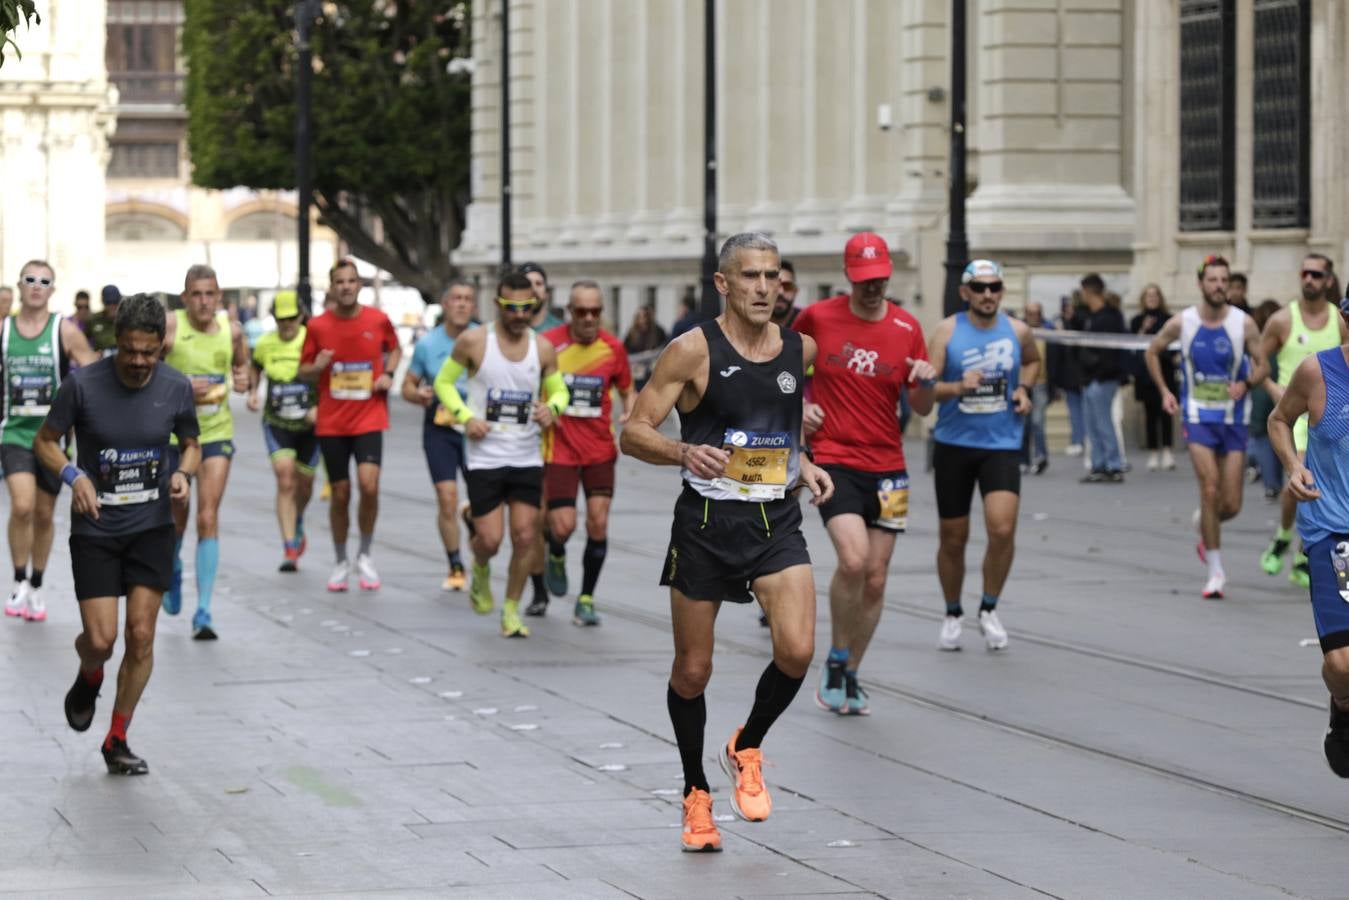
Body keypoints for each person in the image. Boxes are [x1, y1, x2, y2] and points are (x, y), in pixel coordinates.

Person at [619, 232, 832, 853]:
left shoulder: (801, 349)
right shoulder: (690, 351)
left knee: (795, 652)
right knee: (693, 670)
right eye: (751, 277)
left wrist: (807, 460)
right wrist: (684, 450)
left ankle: (746, 745)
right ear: (723, 284)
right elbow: (632, 432)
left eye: (773, 276)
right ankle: (695, 795)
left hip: (774, 524)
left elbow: (776, 424)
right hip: (706, 525)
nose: (765, 288)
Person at [36, 292, 200, 775]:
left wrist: (183, 475)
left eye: (148, 352)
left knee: (142, 634)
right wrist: (74, 476)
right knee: (103, 639)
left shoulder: (175, 387)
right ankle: (90, 673)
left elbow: (191, 444)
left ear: (161, 346)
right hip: (98, 528)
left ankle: (117, 738)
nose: (138, 361)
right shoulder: (82, 386)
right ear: (117, 341)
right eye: (129, 350)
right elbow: (46, 443)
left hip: (151, 525)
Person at [793, 232, 934, 715]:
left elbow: (919, 404)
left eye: (878, 280)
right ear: (848, 276)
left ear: (888, 275)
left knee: (876, 579)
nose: (871, 289)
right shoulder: (817, 317)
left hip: (890, 467)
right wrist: (803, 408)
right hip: (835, 459)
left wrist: (925, 386)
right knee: (853, 561)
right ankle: (834, 656)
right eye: (862, 281)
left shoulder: (907, 327)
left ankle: (851, 670)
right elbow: (785, 372)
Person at [432, 270, 568, 637]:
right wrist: (464, 417)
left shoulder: (542, 348)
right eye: (512, 307)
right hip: (485, 456)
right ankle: (479, 567)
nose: (520, 314)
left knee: (526, 537)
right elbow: (443, 383)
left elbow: (559, 392)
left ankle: (511, 609)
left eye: (527, 307)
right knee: (490, 540)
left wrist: (551, 409)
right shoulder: (474, 341)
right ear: (498, 304)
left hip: (526, 455)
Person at [929, 260, 1039, 651]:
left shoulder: (1018, 330)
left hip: (1002, 444)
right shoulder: (947, 331)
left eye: (994, 287)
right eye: (979, 288)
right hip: (954, 444)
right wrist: (959, 386)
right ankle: (952, 611)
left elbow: (1031, 360)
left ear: (1002, 292)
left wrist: (1024, 390)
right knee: (954, 538)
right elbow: (928, 390)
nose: (988, 294)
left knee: (1002, 529)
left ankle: (989, 607)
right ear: (965, 292)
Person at [1145, 255, 1265, 599]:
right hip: (1197, 416)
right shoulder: (1183, 322)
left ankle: (1204, 524)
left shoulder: (1244, 324)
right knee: (1210, 489)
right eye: (1212, 280)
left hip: (1234, 419)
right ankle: (1215, 571)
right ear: (1201, 284)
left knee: (1232, 504)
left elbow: (1262, 367)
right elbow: (1152, 352)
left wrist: (1246, 383)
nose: (1219, 286)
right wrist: (1166, 392)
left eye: (1224, 280)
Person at [1267, 291, 1349, 778]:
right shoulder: (1317, 373)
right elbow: (1280, 420)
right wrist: (1294, 465)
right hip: (1334, 528)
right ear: (1344, 319)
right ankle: (1342, 706)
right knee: (1341, 665)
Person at [2, 259, 99, 622]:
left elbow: (91, 369)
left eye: (44, 280)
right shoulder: (5, 330)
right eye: (30, 279)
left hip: (52, 438)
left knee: (44, 514)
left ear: (52, 290)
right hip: (14, 433)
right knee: (23, 506)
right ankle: (18, 579)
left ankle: (38, 584)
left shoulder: (64, 329)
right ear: (21, 286)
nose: (36, 285)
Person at [300, 258, 401, 592]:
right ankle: (341, 559)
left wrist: (387, 374)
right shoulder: (317, 326)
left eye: (351, 280)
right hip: (333, 421)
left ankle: (366, 554)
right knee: (341, 494)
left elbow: (395, 350)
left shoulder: (378, 320)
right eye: (339, 281)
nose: (346, 286)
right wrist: (319, 365)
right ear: (331, 287)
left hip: (370, 417)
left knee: (369, 486)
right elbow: (303, 372)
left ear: (360, 286)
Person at [161, 264, 250, 640]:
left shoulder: (231, 331)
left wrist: (245, 380)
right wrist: (182, 388)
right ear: (185, 298)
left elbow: (243, 370)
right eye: (196, 294)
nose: (203, 301)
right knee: (177, 515)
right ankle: (174, 567)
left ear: (219, 297)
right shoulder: (170, 326)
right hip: (174, 439)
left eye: (209, 294)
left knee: (208, 515)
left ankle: (204, 611)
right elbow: (144, 369)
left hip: (215, 432)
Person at [539, 280, 635, 626]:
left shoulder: (613, 349)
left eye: (596, 311)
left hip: (599, 449)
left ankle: (586, 598)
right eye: (582, 311)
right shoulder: (549, 345)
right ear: (570, 312)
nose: (590, 318)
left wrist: (631, 413)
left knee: (598, 522)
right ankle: (557, 551)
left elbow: (628, 389)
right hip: (559, 448)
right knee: (562, 526)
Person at [1258, 254, 1349, 587]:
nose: (1309, 279)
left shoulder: (1338, 323)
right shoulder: (1283, 320)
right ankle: (1287, 537)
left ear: (1328, 279)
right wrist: (1271, 388)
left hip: (1330, 410)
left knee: (1326, 483)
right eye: (1304, 273)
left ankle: (1301, 548)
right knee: (1298, 480)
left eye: (1316, 274)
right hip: (1297, 407)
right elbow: (1260, 360)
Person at [402, 279, 476, 591]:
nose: (461, 304)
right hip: (440, 427)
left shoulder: (484, 339)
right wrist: (417, 394)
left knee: (484, 505)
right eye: (456, 298)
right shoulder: (428, 344)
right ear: (445, 304)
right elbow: (407, 385)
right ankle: (456, 564)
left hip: (477, 429)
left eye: (467, 299)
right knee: (446, 498)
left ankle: (475, 527)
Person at [247, 290, 319, 572]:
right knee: (285, 479)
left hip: (310, 425)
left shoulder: (311, 340)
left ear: (301, 316)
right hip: (278, 423)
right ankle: (290, 547)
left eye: (292, 319)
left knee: (304, 484)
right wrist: (253, 391)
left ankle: (297, 516)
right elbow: (256, 368)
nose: (287, 325)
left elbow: (326, 374)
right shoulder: (266, 343)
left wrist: (321, 407)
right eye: (281, 320)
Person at [1076, 274, 1128, 482]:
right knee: (1092, 423)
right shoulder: (1092, 316)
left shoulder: (1109, 317)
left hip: (1103, 378)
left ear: (1089, 292)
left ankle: (1113, 464)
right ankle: (1099, 464)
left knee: (1103, 422)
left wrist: (1100, 373)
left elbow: (1111, 352)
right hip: (1091, 378)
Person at [1130, 284, 1177, 471]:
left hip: (1165, 370)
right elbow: (1132, 345)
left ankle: (1167, 450)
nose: (1152, 298)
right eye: (1148, 295)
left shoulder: (1169, 320)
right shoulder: (1136, 320)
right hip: (1145, 374)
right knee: (1150, 413)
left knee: (1167, 412)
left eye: (1155, 295)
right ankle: (1153, 451)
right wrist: (1143, 329)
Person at [1248, 299, 1286, 500]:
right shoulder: (1283, 337)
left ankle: (1271, 483)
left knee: (1262, 434)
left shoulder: (1259, 342)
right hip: (1282, 389)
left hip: (1262, 390)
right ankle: (1279, 479)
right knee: (1282, 433)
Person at [1049, 293, 1087, 456]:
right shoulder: (1058, 322)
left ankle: (1083, 440)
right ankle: (1077, 440)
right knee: (1074, 410)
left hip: (1083, 372)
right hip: (1068, 374)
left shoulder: (1080, 321)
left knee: (1085, 410)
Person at [1021, 301, 1052, 475]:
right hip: (1023, 382)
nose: (1033, 316)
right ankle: (1023, 459)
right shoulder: (1020, 332)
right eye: (1030, 313)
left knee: (1037, 421)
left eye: (1036, 313)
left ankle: (1041, 456)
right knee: (1024, 424)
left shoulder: (1047, 332)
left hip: (1041, 383)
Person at [519, 262, 563, 333]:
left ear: (546, 293)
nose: (534, 289)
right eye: (527, 283)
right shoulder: (506, 330)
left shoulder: (559, 329)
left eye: (538, 284)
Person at [88, 286, 121, 356]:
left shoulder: (127, 319)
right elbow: (83, 340)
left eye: (115, 302)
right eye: (108, 303)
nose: (112, 306)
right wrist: (91, 353)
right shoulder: (94, 320)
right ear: (103, 302)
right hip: (100, 359)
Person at [771, 258, 802, 328]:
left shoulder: (808, 321)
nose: (780, 292)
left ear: (796, 291)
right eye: (774, 286)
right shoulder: (750, 323)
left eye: (787, 286)